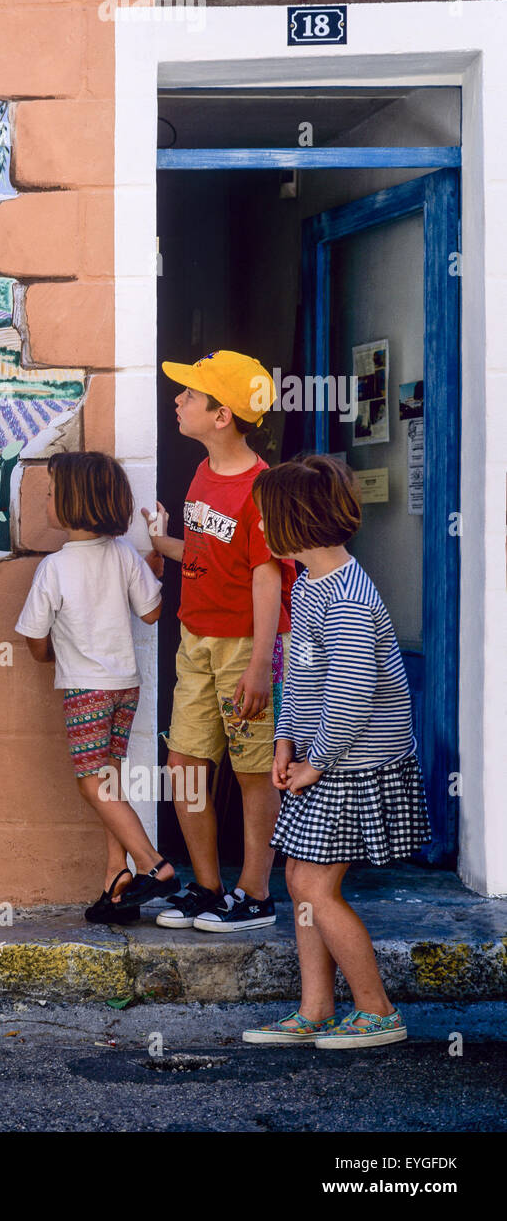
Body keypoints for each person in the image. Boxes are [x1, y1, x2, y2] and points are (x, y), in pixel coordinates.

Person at [242, 456, 429, 1048]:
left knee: (316, 889)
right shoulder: (312, 583)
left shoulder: (346, 595)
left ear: (294, 522)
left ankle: (377, 1011)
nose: (261, 526)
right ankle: (317, 1008)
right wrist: (284, 742)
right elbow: (299, 679)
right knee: (299, 879)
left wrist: (316, 759)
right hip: (322, 761)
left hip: (353, 766)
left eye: (266, 516)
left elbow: (350, 695)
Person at [143, 350, 295, 931]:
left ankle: (254, 893)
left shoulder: (264, 490)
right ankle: (207, 888)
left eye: (190, 395)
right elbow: (207, 554)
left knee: (254, 769)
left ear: (222, 414)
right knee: (183, 761)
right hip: (196, 639)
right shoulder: (203, 473)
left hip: (246, 647)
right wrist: (162, 545)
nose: (177, 402)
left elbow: (267, 579)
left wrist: (260, 666)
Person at [15, 452, 175, 923]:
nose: (45, 500)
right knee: (111, 778)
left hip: (85, 690)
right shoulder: (124, 553)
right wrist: (151, 568)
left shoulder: (55, 568)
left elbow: (34, 638)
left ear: (70, 503)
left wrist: (50, 658)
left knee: (92, 785)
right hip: (126, 686)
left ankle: (153, 863)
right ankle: (116, 876)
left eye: (49, 494)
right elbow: (151, 612)